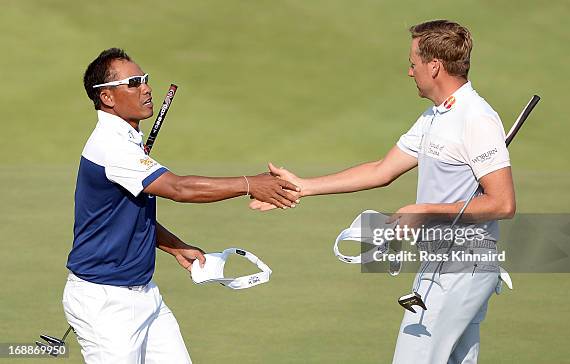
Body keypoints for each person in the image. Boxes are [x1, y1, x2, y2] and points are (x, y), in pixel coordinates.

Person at [250, 20, 515, 364]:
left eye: (414, 62)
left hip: (462, 264)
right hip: (442, 261)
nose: (410, 71)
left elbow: (503, 203)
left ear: (434, 66)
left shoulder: (475, 117)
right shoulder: (437, 115)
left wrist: (426, 211)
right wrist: (305, 186)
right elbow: (382, 169)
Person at [64, 48, 300, 363]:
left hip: (145, 295)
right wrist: (250, 184)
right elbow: (179, 188)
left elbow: (128, 217)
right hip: (105, 302)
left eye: (145, 79)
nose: (146, 88)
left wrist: (176, 247)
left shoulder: (127, 140)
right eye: (134, 83)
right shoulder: (112, 147)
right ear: (106, 97)